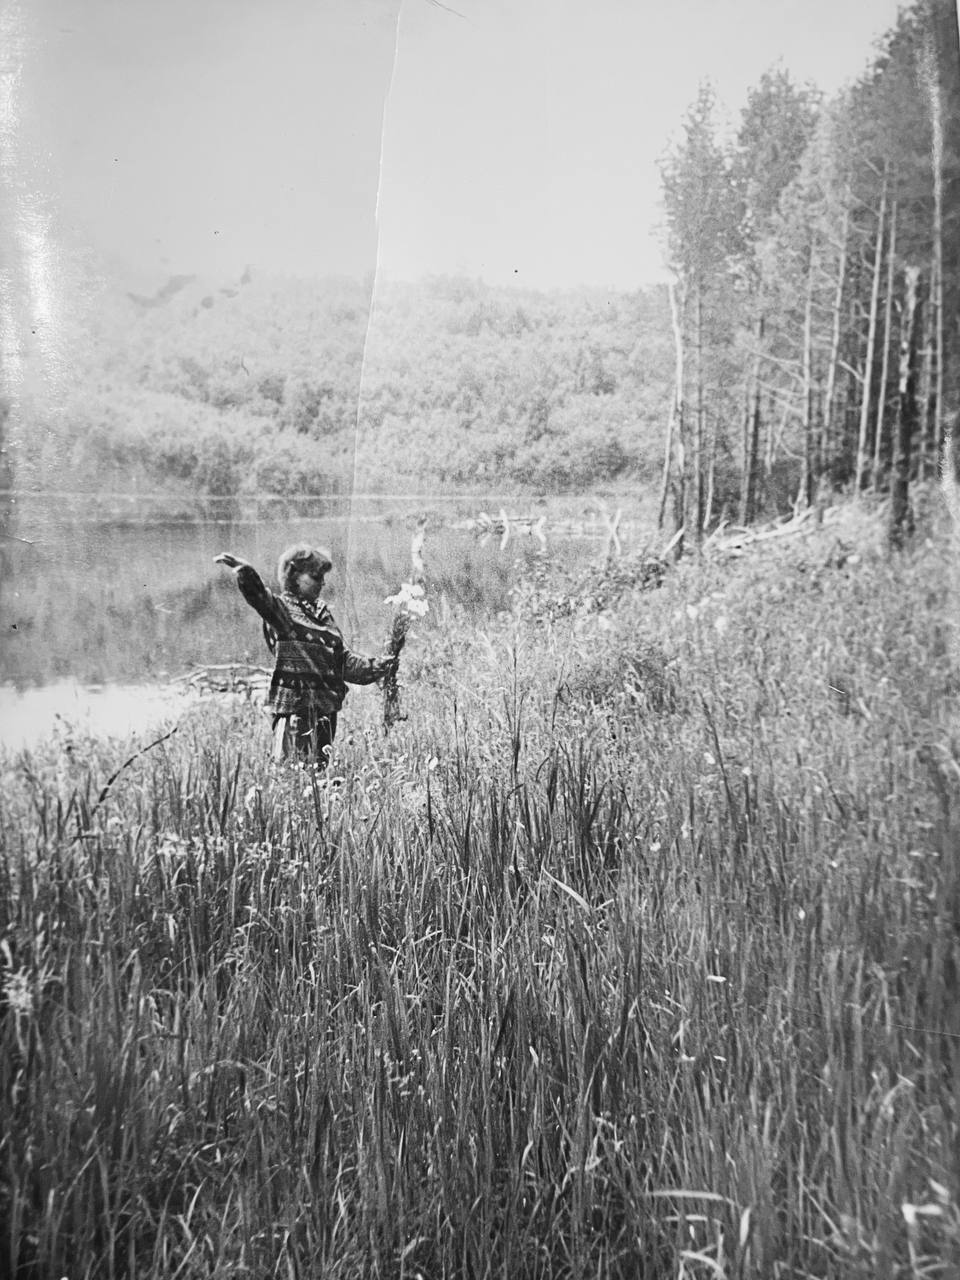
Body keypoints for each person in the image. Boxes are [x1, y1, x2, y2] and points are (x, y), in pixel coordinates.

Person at [214, 544, 396, 768]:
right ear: (293, 574)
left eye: (323, 578)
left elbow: (342, 661)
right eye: (316, 577)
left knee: (320, 773)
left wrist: (378, 667)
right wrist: (246, 573)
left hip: (325, 712)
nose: (322, 583)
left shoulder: (323, 614)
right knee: (292, 773)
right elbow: (260, 598)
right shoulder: (283, 611)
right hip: (295, 712)